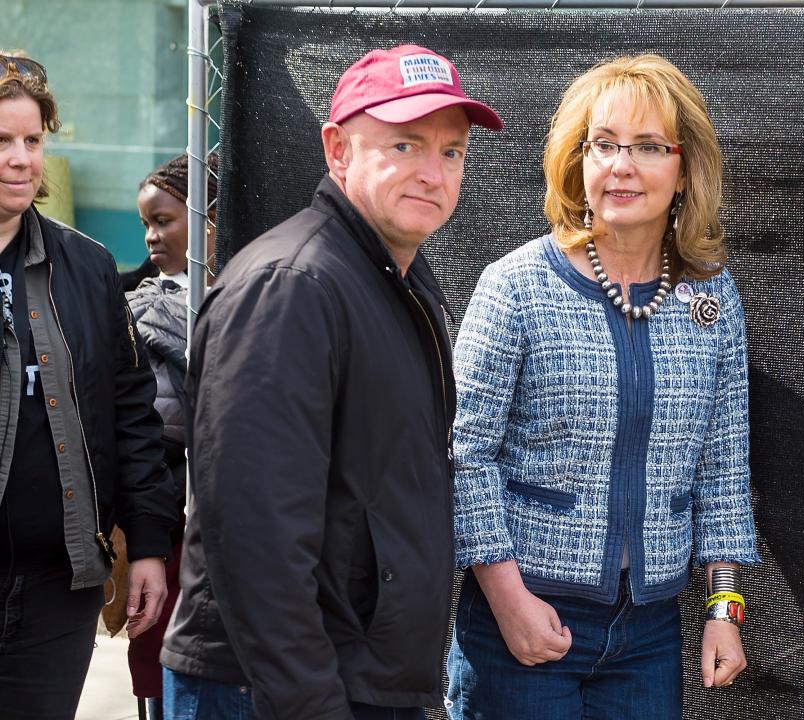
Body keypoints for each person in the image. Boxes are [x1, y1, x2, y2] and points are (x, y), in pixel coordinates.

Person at [160, 44, 503, 720]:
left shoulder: (396, 282)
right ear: (337, 149)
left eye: (452, 152)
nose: (432, 173)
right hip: (274, 690)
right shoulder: (292, 287)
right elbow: (254, 530)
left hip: (355, 679)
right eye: (404, 145)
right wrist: (310, 703)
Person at [446, 54, 761, 720]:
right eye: (604, 144)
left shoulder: (711, 295)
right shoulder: (517, 287)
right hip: (524, 617)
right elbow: (463, 455)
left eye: (648, 147)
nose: (622, 164)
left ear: (684, 170)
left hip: (649, 633)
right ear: (577, 161)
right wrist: (509, 601)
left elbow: (723, 466)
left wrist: (723, 609)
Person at [0, 53, 177, 718]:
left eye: (33, 140)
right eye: (2, 140)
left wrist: (150, 545)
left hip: (59, 582)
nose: (21, 159)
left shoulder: (89, 266)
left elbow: (131, 413)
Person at [118, 151, 218, 719]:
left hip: (223, 519)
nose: (152, 236)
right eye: (146, 224)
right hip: (168, 517)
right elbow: (153, 425)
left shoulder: (241, 290)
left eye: (164, 220)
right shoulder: (135, 302)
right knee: (162, 670)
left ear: (208, 218)